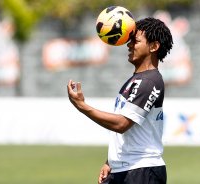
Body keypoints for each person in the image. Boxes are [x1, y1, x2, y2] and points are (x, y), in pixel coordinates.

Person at [67, 17, 173, 184]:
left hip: (142, 171)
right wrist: (111, 161)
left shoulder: (149, 81)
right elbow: (129, 132)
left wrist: (82, 106)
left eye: (135, 41)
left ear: (154, 46)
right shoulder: (136, 80)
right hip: (125, 169)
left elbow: (122, 124)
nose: (128, 45)